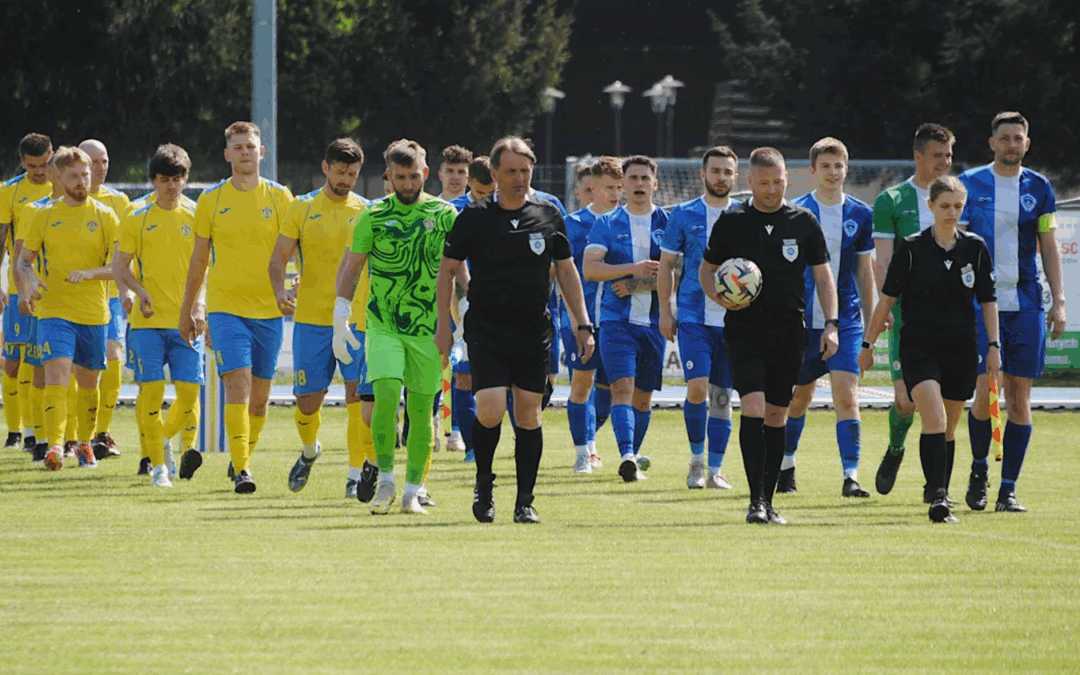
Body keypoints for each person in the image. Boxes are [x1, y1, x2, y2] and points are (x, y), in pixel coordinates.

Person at [436, 135, 594, 524]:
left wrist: (582, 322)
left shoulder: (548, 214)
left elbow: (568, 272)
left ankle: (525, 501)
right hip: (487, 329)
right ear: (494, 172)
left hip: (533, 331)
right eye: (511, 171)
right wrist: (445, 322)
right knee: (489, 408)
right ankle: (485, 485)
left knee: (528, 414)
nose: (519, 178)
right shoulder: (473, 216)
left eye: (525, 171)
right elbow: (448, 269)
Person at [699, 147, 838, 525]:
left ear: (787, 179)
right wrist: (721, 297)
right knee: (755, 408)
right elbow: (706, 270)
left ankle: (769, 499)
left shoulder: (804, 221)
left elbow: (824, 276)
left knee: (778, 414)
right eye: (764, 183)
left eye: (778, 182)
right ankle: (755, 500)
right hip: (745, 330)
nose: (773, 189)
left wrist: (831, 323)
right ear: (750, 182)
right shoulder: (731, 221)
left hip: (789, 332)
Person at [859, 176, 999, 523]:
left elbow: (987, 301)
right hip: (919, 345)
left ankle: (938, 487)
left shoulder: (975, 248)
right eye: (945, 206)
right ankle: (937, 497)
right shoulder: (911, 248)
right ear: (931, 207)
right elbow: (887, 299)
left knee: (949, 426)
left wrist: (994, 345)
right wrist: (868, 344)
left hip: (961, 347)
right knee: (933, 417)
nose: (952, 212)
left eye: (957, 206)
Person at [333, 139, 457, 515]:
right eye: (399, 177)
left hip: (429, 329)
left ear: (425, 173)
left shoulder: (446, 214)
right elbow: (352, 268)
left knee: (422, 413)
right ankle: (386, 480)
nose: (407, 183)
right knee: (385, 399)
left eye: (413, 176)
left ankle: (413, 491)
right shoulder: (372, 215)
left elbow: (460, 270)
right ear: (388, 176)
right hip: (383, 325)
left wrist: (466, 315)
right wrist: (340, 318)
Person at [179, 121, 294, 494]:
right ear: (227, 154)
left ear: (262, 153)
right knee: (239, 385)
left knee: (260, 400)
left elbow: (297, 248)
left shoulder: (280, 198)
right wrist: (190, 308)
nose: (245, 152)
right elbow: (198, 262)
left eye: (251, 146)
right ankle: (244, 470)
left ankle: (240, 456)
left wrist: (298, 284)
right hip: (226, 309)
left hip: (269, 311)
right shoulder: (211, 200)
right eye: (238, 147)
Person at [960, 112, 1065, 513]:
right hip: (978, 305)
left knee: (1020, 397)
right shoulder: (971, 183)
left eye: (1017, 138)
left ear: (1027, 143)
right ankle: (979, 469)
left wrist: (1059, 301)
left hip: (1025, 305)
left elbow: (1050, 245)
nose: (1010, 144)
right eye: (1004, 138)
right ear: (992, 143)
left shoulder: (1039, 187)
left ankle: (1008, 489)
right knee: (985, 391)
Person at [268, 138, 376, 499]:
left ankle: (353, 475)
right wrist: (281, 290)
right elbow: (278, 258)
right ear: (325, 167)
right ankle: (310, 449)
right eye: (340, 171)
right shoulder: (302, 207)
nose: (345, 178)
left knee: (358, 400)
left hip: (357, 321)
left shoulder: (366, 210)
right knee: (307, 402)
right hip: (312, 319)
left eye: (353, 173)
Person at [16, 146, 119, 470]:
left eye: (85, 174)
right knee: (56, 374)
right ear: (59, 177)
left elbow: (120, 268)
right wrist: (30, 281)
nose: (81, 181)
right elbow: (24, 261)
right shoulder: (43, 215)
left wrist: (90, 273)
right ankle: (56, 446)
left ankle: (86, 444)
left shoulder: (106, 216)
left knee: (89, 385)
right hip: (54, 312)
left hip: (93, 313)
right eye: (73, 175)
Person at [783, 138, 875, 497]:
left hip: (847, 320)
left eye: (839, 166)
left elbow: (865, 274)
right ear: (813, 171)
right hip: (803, 322)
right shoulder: (797, 212)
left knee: (847, 396)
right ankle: (786, 465)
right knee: (798, 399)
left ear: (846, 169)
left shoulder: (860, 214)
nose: (833, 173)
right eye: (826, 166)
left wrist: (870, 325)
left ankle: (850, 476)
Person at [871, 123, 955, 496]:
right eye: (937, 155)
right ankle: (894, 449)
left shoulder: (955, 197)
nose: (944, 162)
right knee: (906, 403)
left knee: (944, 407)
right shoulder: (891, 200)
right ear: (918, 156)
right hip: (907, 317)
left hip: (950, 320)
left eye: (949, 155)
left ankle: (934, 485)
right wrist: (885, 304)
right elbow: (882, 260)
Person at [113, 144, 204, 487]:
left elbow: (208, 268)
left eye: (177, 178)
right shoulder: (137, 218)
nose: (171, 185)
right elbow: (119, 267)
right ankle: (159, 470)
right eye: (164, 179)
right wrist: (139, 290)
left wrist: (199, 306)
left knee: (189, 394)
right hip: (147, 324)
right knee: (151, 394)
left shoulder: (197, 217)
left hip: (185, 323)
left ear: (185, 179)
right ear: (153, 181)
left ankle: (164, 440)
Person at [659, 146, 740, 490]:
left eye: (727, 172)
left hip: (735, 320)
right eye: (715, 170)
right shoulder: (683, 214)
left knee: (722, 396)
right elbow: (666, 265)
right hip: (693, 316)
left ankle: (716, 470)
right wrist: (666, 309)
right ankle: (696, 462)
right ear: (703, 174)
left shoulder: (745, 216)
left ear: (735, 177)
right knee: (696, 390)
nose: (721, 177)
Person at [584, 155, 668, 483]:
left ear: (654, 184)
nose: (638, 184)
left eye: (644, 178)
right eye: (632, 179)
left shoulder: (667, 223)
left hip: (654, 323)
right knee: (622, 388)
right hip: (616, 322)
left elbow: (679, 269)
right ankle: (627, 454)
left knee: (644, 399)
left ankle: (631, 453)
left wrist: (637, 283)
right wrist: (632, 268)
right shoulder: (607, 223)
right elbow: (591, 269)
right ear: (624, 184)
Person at [564, 157, 621, 474]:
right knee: (581, 384)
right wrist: (572, 316)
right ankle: (584, 453)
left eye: (617, 188)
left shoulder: (626, 224)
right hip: (580, 316)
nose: (613, 194)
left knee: (614, 387)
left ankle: (590, 438)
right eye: (605, 188)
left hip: (618, 318)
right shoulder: (573, 225)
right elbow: (560, 274)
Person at [0, 133, 52, 454]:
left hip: (52, 291)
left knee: (42, 363)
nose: (40, 172)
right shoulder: (10, 191)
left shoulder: (60, 186)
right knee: (14, 362)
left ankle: (35, 432)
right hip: (20, 288)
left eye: (45, 164)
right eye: (33, 166)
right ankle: (14, 430)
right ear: (23, 162)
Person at [79, 139, 131, 459]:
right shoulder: (61, 202)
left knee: (113, 359)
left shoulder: (119, 201)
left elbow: (125, 254)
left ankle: (102, 434)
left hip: (108, 295)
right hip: (71, 297)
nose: (101, 167)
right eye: (94, 161)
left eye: (105, 161)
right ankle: (73, 435)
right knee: (76, 370)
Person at [447, 155, 496, 462]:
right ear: (469, 184)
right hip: (464, 305)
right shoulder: (453, 212)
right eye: (478, 194)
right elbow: (449, 264)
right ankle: (473, 446)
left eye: (489, 194)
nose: (484, 200)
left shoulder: (511, 209)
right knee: (463, 376)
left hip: (505, 305)